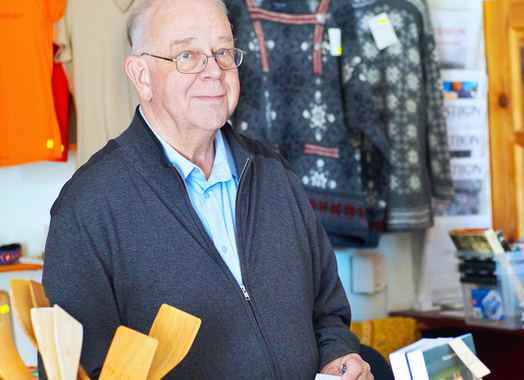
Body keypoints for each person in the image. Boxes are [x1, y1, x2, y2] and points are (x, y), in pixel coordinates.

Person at [41, 0, 373, 378]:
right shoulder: (89, 205)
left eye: (223, 52)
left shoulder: (274, 174)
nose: (214, 71)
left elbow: (327, 310)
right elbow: (75, 366)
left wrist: (338, 356)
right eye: (187, 55)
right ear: (141, 76)